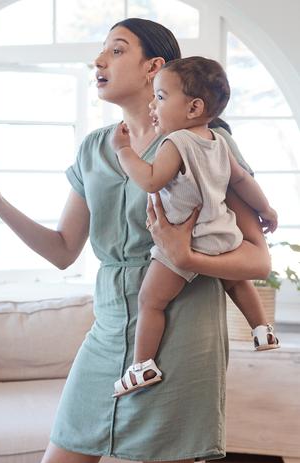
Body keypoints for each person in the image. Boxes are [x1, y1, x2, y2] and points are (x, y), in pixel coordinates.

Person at [0, 18, 271, 463]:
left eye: (116, 51)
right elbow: (61, 250)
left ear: (153, 67)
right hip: (110, 329)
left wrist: (188, 258)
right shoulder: (95, 149)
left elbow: (259, 261)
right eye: (101, 51)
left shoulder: (207, 142)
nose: (98, 61)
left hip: (184, 332)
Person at [109, 56, 280, 397]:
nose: (152, 106)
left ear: (193, 107)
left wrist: (124, 151)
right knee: (237, 282)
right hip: (221, 233)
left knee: (151, 302)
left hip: (185, 243)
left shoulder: (177, 143)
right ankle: (262, 329)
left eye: (160, 97)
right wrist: (267, 209)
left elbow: (151, 180)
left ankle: (142, 365)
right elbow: (242, 180)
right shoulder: (217, 141)